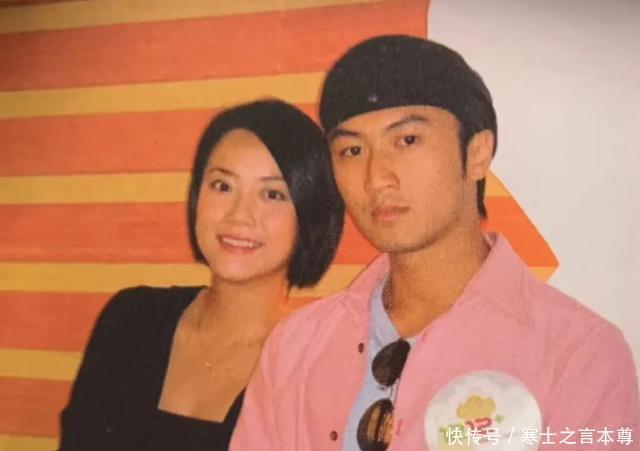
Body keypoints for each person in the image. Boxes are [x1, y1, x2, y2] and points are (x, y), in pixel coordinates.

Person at [230, 36, 640, 451]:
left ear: (477, 154)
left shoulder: (577, 354)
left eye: (407, 140)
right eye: (352, 150)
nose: (376, 177)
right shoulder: (295, 346)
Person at [58, 99, 344, 451]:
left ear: (310, 215)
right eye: (222, 186)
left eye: (272, 194)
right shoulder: (132, 318)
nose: (239, 215)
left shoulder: (315, 366)